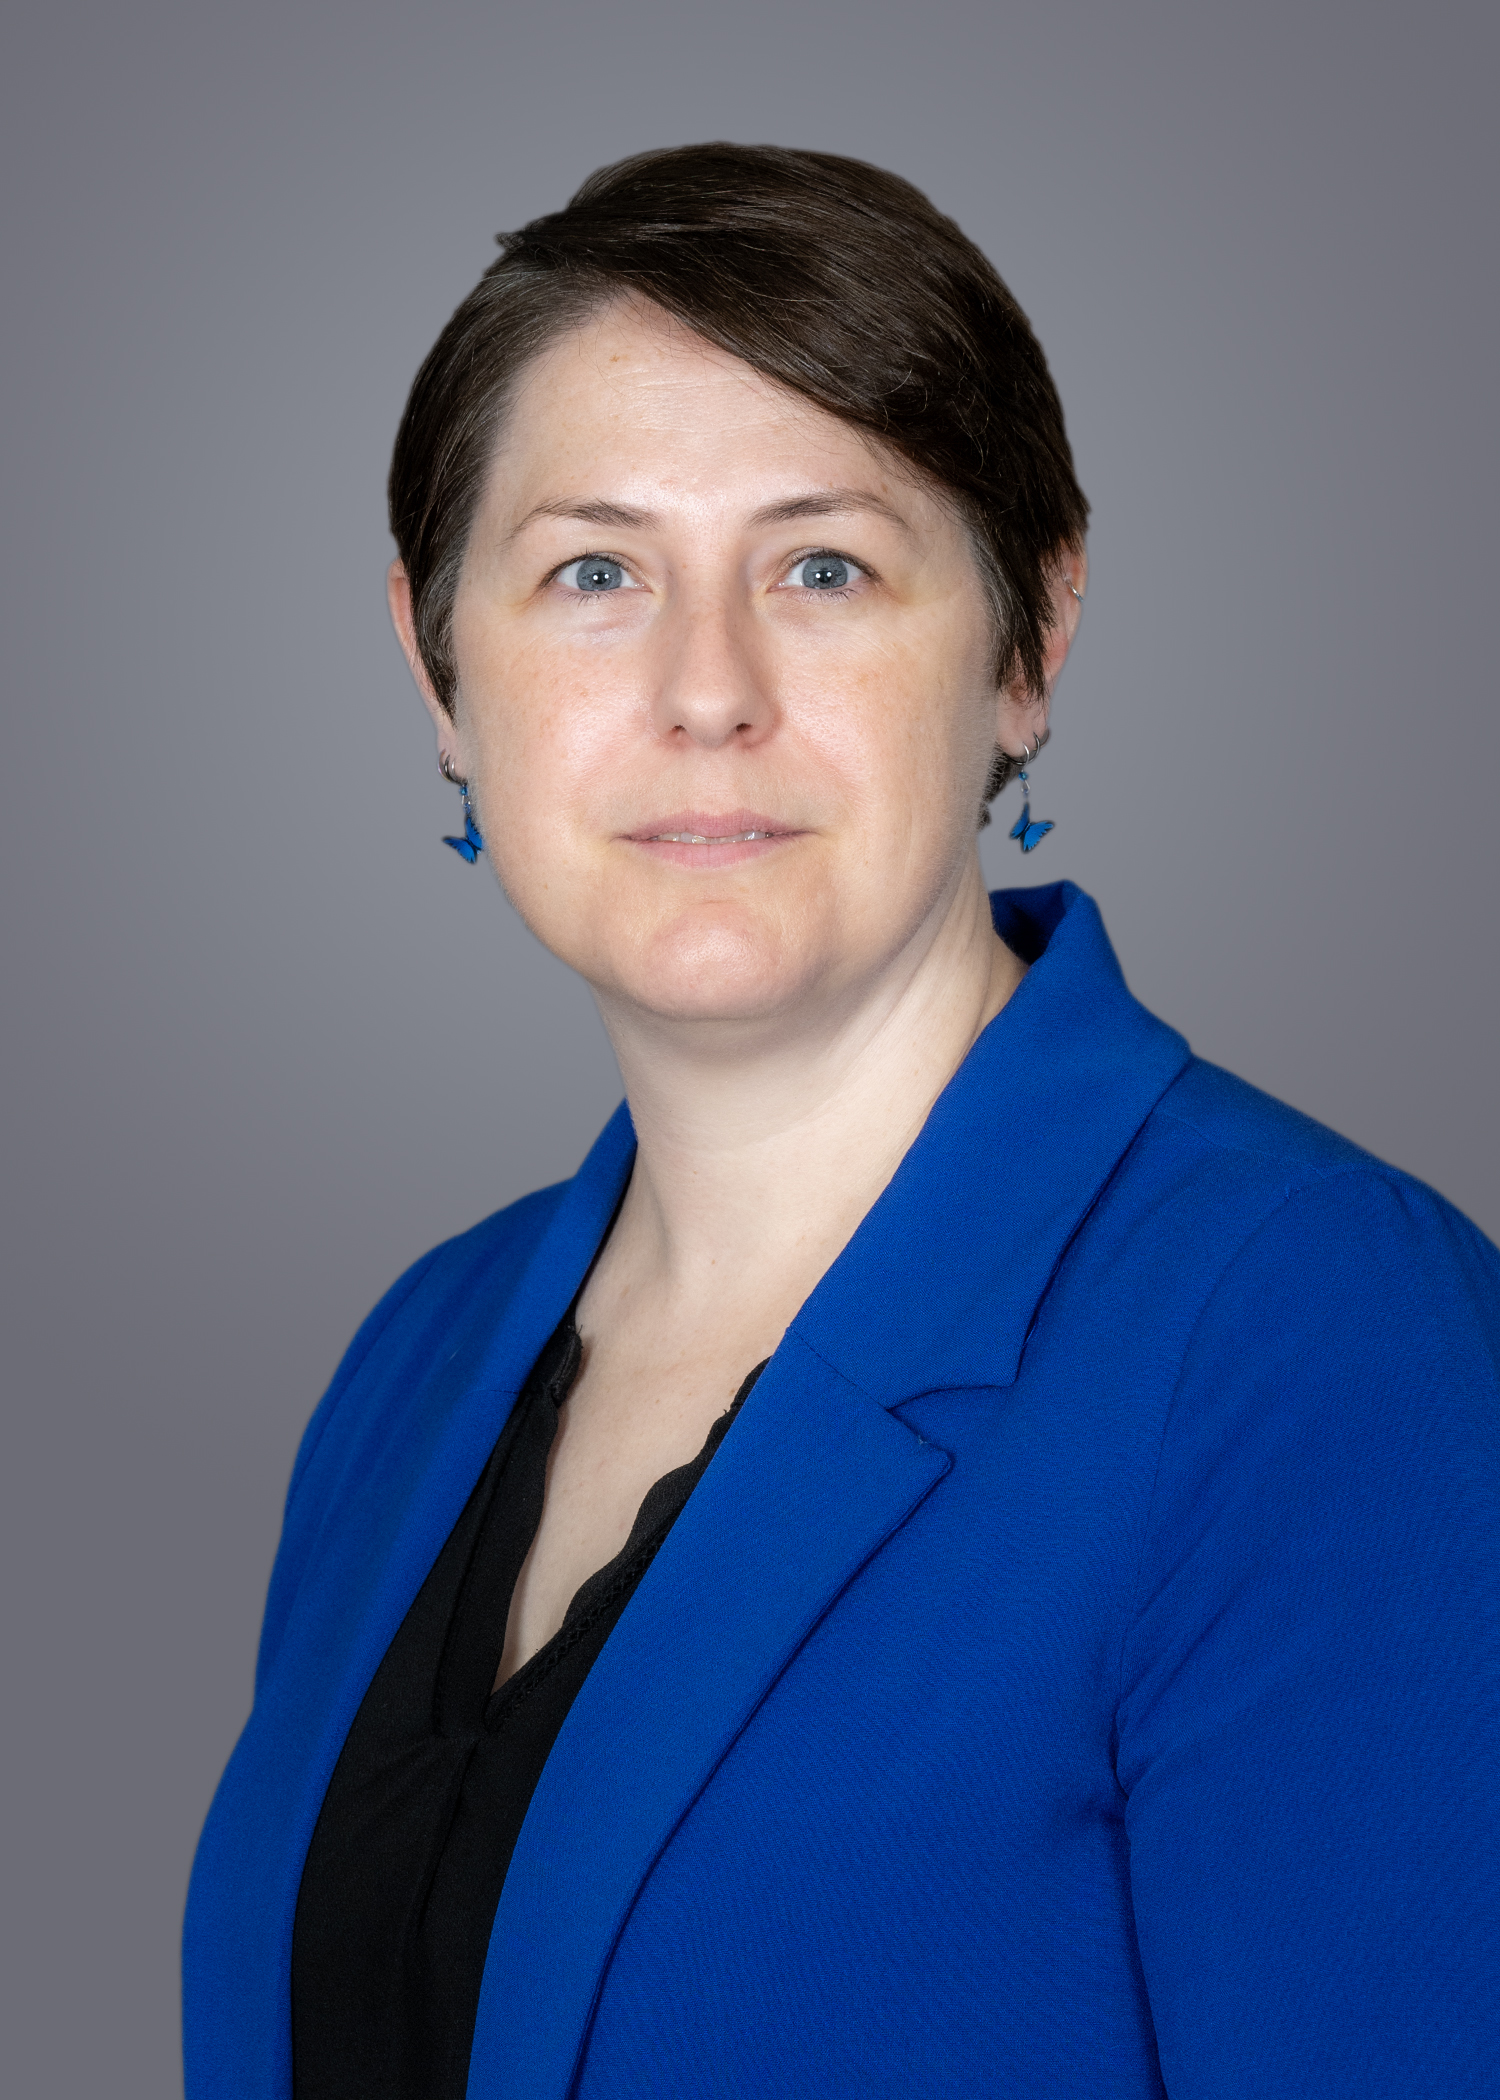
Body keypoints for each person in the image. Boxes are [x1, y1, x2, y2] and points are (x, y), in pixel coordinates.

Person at [183, 144, 1500, 2100]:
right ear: (440, 669)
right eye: (594, 573)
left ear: (1028, 646)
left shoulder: (1313, 1338)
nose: (705, 689)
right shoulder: (413, 1362)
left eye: (824, 565)